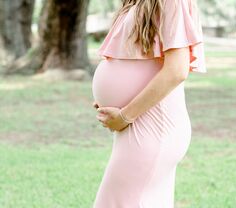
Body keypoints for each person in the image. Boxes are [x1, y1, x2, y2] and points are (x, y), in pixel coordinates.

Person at [91, 0, 206, 207]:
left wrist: (125, 115)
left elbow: (177, 70)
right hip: (138, 124)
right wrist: (110, 97)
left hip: (154, 126)